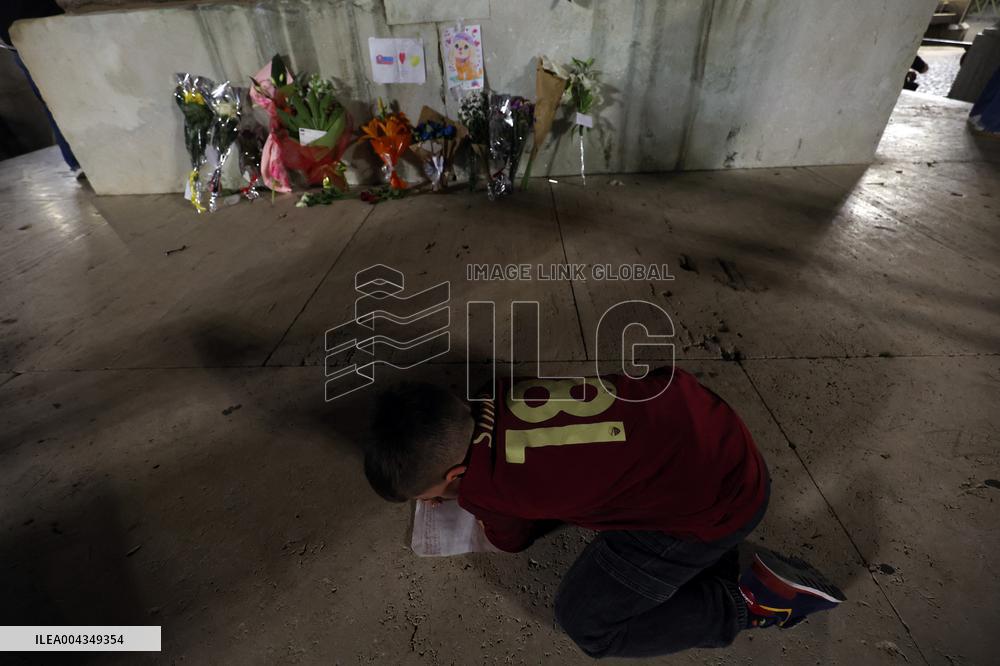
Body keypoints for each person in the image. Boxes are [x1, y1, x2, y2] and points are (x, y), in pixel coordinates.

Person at [365, 368, 845, 658]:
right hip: (719, 437)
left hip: (721, 503)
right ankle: (710, 564)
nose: (429, 503)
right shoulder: (505, 393)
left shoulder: (490, 488)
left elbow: (510, 539)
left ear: (453, 475)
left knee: (587, 622)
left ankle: (750, 603)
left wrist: (473, 502)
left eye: (427, 495)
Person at [1, 0, 81, 172]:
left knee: (53, 103)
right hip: (37, 33)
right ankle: (79, 160)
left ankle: (76, 161)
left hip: (21, 37)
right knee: (63, 100)